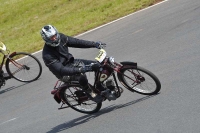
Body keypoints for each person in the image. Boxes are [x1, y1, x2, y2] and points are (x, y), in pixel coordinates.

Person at [40, 25, 106, 102]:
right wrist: (81, 69)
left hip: (71, 62)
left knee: (96, 65)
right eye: (51, 38)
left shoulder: (61, 37)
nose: (54, 38)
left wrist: (94, 44)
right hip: (63, 73)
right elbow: (61, 69)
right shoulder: (47, 55)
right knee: (81, 75)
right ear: (46, 39)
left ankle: (99, 85)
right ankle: (89, 91)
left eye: (55, 35)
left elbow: (76, 42)